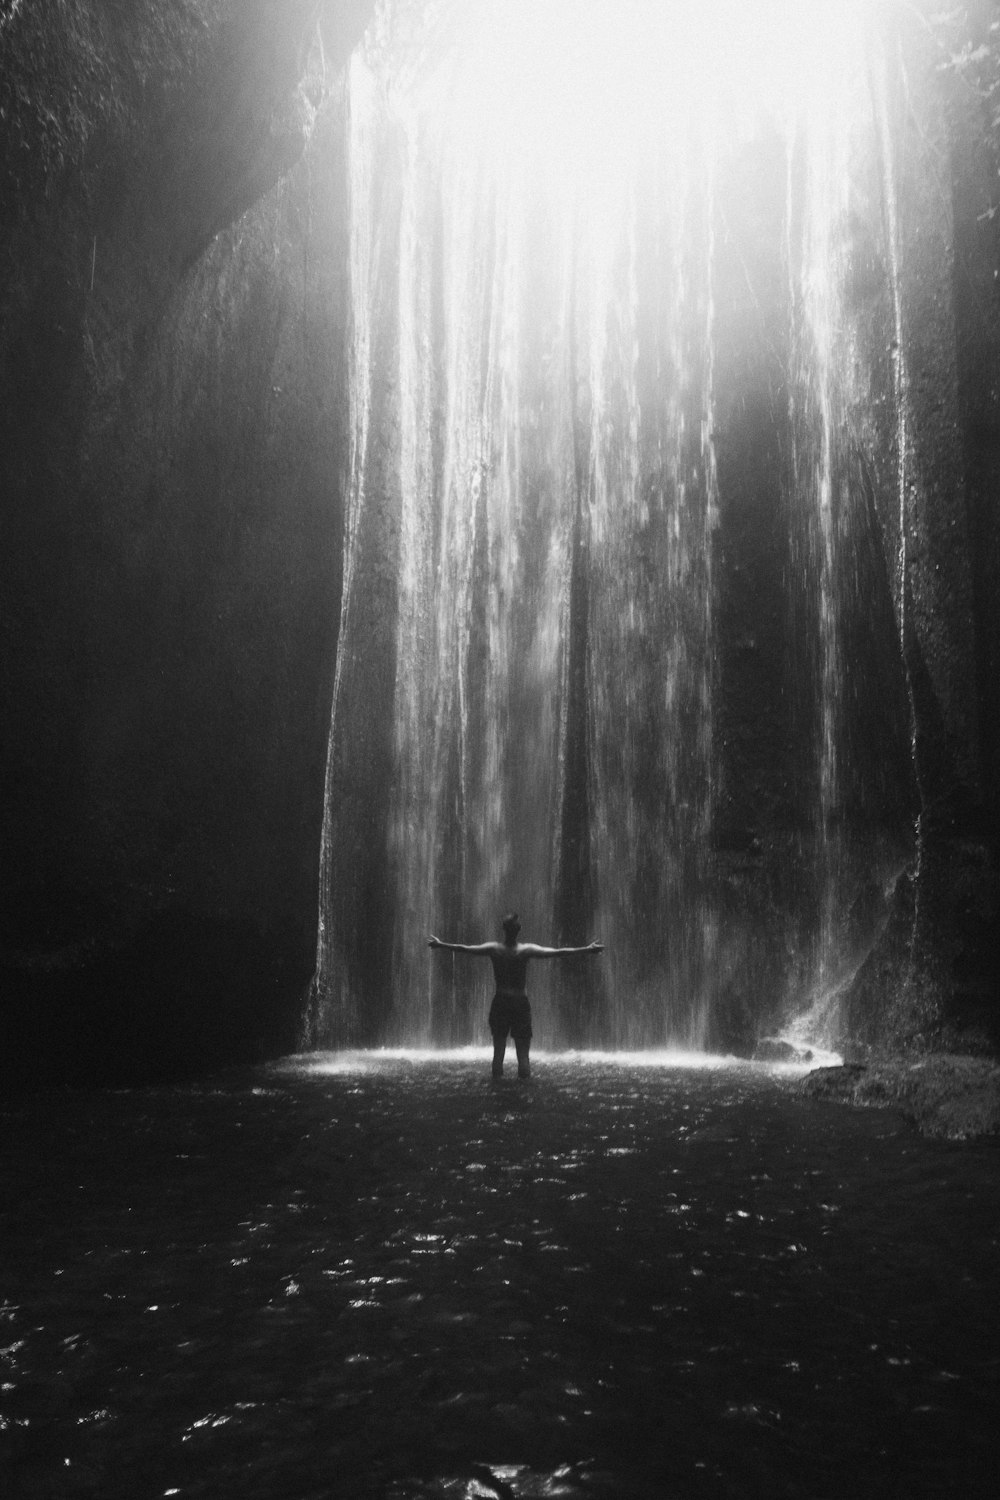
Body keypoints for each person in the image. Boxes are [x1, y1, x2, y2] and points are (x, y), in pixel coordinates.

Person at [428, 912, 604, 1079]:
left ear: (504, 929)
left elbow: (464, 948)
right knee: (523, 1056)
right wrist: (587, 950)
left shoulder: (493, 949)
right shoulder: (526, 950)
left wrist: (440, 944)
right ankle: (524, 1096)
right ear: (518, 929)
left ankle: (497, 1092)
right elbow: (558, 953)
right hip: (519, 1002)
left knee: (498, 1053)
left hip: (501, 1002)